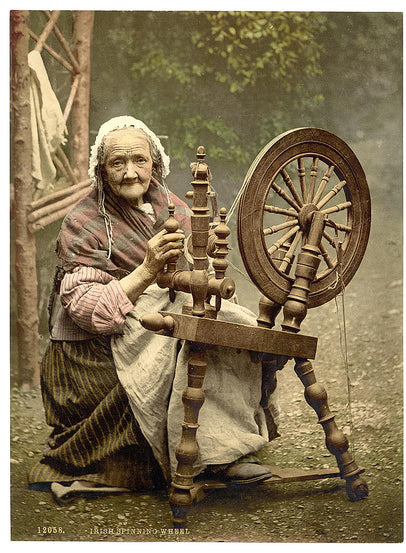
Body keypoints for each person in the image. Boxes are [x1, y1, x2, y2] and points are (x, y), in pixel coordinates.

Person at [29, 116, 276, 504]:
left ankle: (223, 448)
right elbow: (87, 312)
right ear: (101, 171)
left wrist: (204, 247)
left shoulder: (166, 201)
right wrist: (147, 269)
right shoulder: (84, 221)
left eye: (139, 161)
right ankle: (198, 458)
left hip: (148, 317)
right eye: (118, 163)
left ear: (154, 164)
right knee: (179, 346)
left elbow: (189, 268)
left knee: (230, 326)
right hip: (89, 351)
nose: (131, 173)